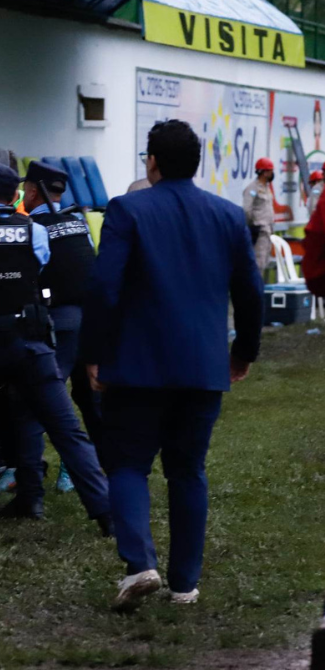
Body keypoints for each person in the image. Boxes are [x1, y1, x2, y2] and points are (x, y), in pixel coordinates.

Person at [81, 119, 263, 611]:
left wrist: (94, 352)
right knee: (187, 471)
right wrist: (243, 352)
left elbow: (104, 287)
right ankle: (185, 584)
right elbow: (250, 291)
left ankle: (140, 564)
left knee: (128, 464)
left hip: (136, 365)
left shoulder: (128, 210)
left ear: (152, 161)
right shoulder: (227, 216)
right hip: (203, 367)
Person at [0, 162, 112, 536]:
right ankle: (106, 512)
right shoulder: (34, 231)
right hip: (31, 342)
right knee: (65, 429)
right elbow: (39, 268)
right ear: (16, 195)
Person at [17, 161, 105, 488]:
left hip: (59, 321)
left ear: (36, 191)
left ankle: (35, 474)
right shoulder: (77, 222)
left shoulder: (31, 228)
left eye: (26, 189)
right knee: (88, 399)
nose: (23, 195)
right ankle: (101, 463)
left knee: (45, 399)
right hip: (91, 320)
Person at [244, 157, 276, 272]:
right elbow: (247, 210)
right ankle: (254, 289)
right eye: (270, 171)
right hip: (259, 232)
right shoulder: (252, 188)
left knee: (264, 263)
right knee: (258, 264)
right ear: (263, 172)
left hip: (267, 232)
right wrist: (252, 227)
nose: (272, 174)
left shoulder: (267, 188)